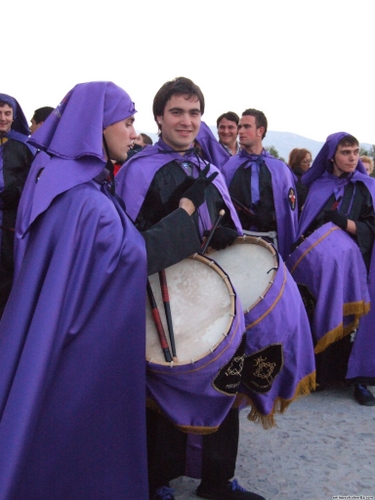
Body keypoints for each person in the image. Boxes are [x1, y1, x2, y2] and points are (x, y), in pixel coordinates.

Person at [0, 81, 213, 499]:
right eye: (128, 122)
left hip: (57, 327)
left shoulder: (58, 179)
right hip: (81, 339)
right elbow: (134, 257)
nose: (133, 134)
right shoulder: (88, 201)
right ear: (98, 126)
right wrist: (187, 213)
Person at [116, 77, 265, 500]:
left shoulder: (211, 169)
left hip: (214, 295)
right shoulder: (137, 170)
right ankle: (155, 478)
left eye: (194, 112)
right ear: (158, 117)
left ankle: (217, 479)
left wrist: (225, 235)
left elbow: (230, 230)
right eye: (177, 112)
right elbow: (130, 244)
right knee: (165, 385)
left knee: (226, 378)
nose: (187, 121)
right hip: (161, 297)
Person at [288, 132, 375, 406]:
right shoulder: (316, 186)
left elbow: (369, 227)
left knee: (353, 325)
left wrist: (342, 223)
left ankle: (356, 379)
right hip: (318, 268)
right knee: (317, 313)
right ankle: (317, 375)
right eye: (345, 152)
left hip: (354, 266)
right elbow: (303, 225)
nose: (351, 158)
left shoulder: (366, 188)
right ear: (332, 156)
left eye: (354, 152)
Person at [221, 108, 298, 261]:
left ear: (260, 131)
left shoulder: (280, 169)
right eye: (240, 126)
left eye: (246, 126)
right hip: (236, 244)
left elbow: (289, 211)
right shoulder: (229, 166)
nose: (240, 131)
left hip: (271, 244)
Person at [0, 93, 35, 318]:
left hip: (10, 226)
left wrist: (10, 194)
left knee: (6, 279)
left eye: (7, 113)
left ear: (14, 117)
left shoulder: (24, 148)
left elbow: (31, 184)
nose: (2, 118)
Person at [287, 148, 312, 213]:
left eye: (309, 161)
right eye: (305, 162)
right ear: (297, 163)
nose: (309, 164)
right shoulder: (298, 181)